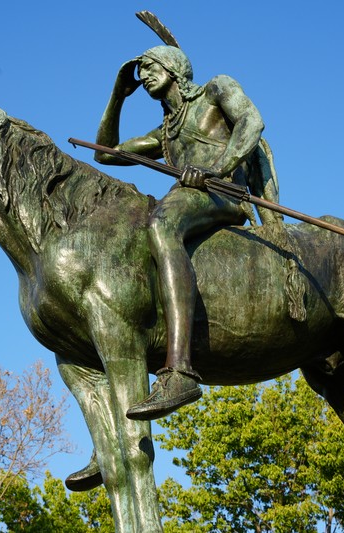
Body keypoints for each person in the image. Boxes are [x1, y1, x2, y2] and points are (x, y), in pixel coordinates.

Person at [94, 45, 281, 421]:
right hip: (192, 196)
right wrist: (117, 95)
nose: (143, 74)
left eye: (150, 67)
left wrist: (217, 168)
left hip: (223, 194)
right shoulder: (164, 131)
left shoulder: (216, 89)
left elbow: (252, 122)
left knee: (161, 223)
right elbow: (104, 151)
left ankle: (179, 371)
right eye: (140, 70)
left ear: (173, 67)